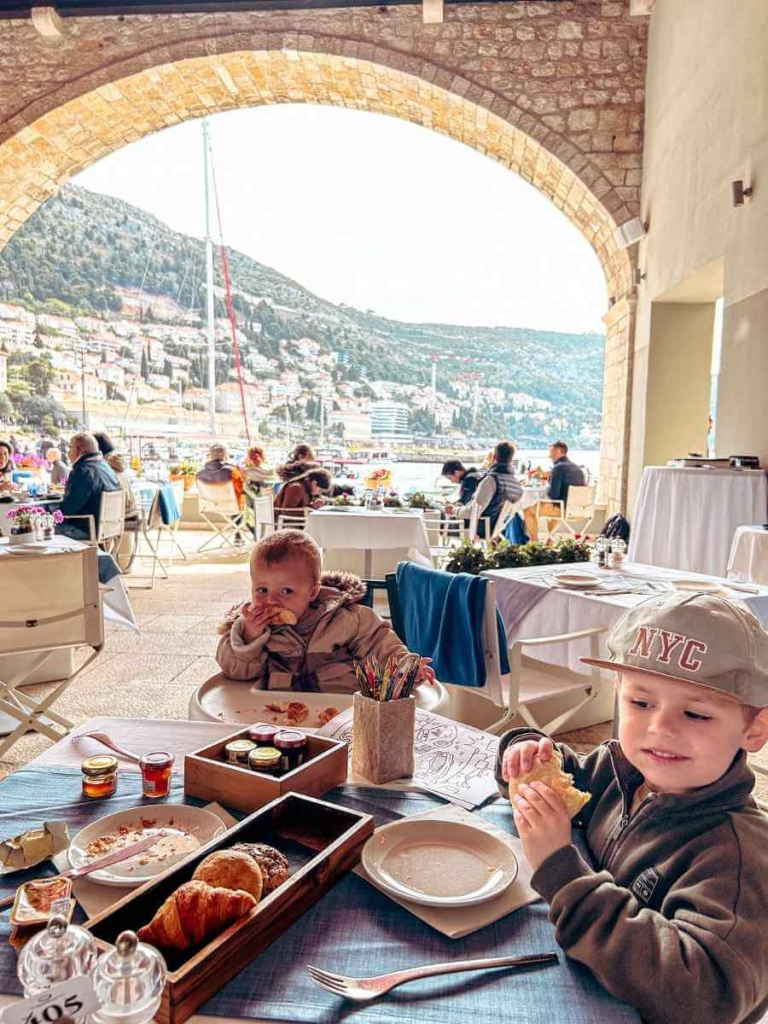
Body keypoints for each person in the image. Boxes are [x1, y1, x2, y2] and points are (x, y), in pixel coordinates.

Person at [496, 592, 768, 1024]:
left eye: (696, 714)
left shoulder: (739, 861)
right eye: (641, 703)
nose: (660, 728)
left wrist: (561, 871)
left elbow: (703, 998)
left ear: (755, 729)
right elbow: (571, 776)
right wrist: (526, 755)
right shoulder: (617, 766)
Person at [216, 530, 435, 693]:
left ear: (312, 592)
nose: (272, 599)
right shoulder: (251, 628)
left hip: (342, 710)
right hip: (276, 714)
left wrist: (408, 669)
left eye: (286, 590)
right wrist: (249, 638)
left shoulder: (349, 619)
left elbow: (382, 646)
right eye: (262, 589)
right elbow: (234, 672)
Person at [58, 432, 120, 541]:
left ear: (77, 450)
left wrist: (53, 512)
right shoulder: (106, 467)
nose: (68, 453)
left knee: (43, 530)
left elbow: (69, 509)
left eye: (70, 448)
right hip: (108, 529)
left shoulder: (82, 470)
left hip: (87, 529)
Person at [453, 440, 522, 536]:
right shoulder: (514, 483)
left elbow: (473, 512)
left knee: (438, 512)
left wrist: (455, 510)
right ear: (511, 459)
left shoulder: (491, 480)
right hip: (498, 529)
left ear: (494, 457)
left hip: (478, 527)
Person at [524, 440, 586, 542]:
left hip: (563, 510)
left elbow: (553, 495)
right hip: (580, 509)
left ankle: (534, 543)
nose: (549, 456)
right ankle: (550, 538)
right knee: (557, 504)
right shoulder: (577, 468)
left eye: (551, 452)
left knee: (528, 509)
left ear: (558, 452)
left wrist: (548, 485)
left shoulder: (558, 468)